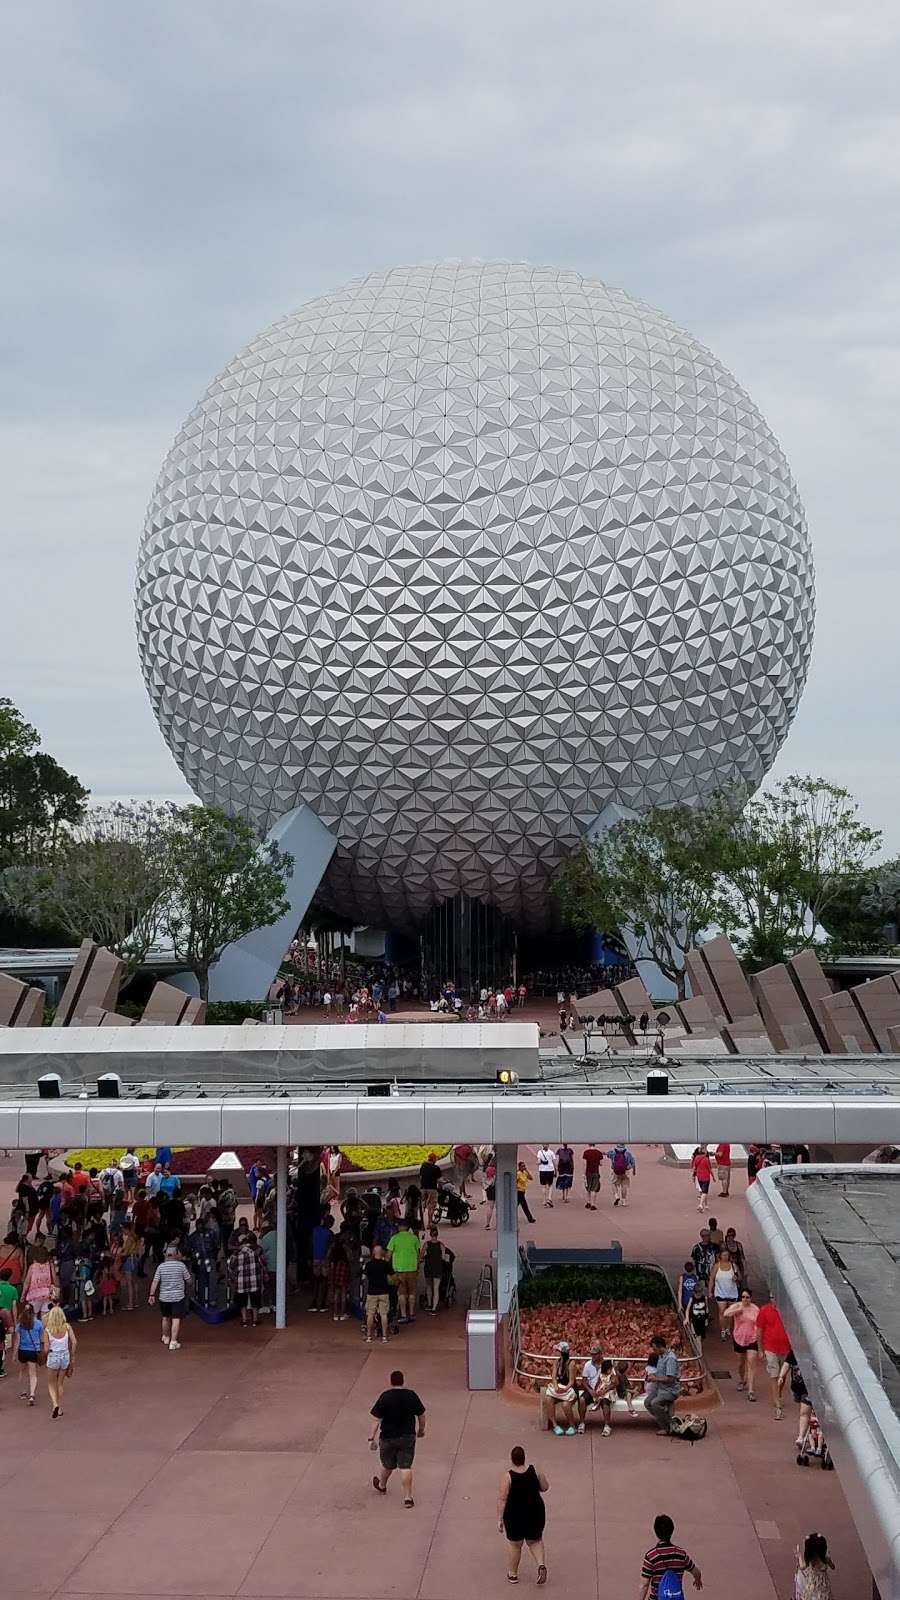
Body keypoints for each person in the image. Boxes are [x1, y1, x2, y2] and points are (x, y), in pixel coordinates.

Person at [369, 1369, 426, 1507]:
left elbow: (376, 1419)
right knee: (405, 1467)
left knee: (388, 1464)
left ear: (391, 1381)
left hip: (388, 1437)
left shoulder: (385, 1396)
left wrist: (371, 1438)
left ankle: (382, 1485)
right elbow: (421, 1415)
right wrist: (421, 1430)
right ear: (403, 1381)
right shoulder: (411, 1395)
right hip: (407, 1436)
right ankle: (408, 1498)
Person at [497, 1445, 548, 1586]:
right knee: (535, 1541)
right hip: (535, 1511)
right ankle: (541, 1565)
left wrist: (500, 1519)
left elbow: (502, 1499)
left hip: (515, 1514)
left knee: (515, 1544)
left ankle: (512, 1574)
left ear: (512, 1459)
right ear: (524, 1458)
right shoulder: (534, 1471)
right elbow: (545, 1487)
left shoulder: (508, 1476)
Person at [639, 1513, 703, 1598]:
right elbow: (697, 1572)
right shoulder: (681, 1554)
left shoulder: (651, 1556)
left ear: (656, 1532)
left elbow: (644, 1585)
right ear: (672, 1530)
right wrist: (697, 1580)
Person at [148, 1242, 192, 1350]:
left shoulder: (161, 1267)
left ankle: (165, 1336)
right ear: (176, 1254)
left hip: (164, 1297)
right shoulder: (181, 1266)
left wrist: (151, 1294)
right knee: (176, 1319)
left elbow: (155, 1282)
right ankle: (173, 1341)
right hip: (178, 1297)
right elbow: (189, 1280)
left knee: (165, 1318)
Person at [756, 1288, 791, 1418]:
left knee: (783, 1375)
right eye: (772, 1297)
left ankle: (778, 1393)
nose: (774, 1300)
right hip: (770, 1347)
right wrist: (760, 1349)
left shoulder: (788, 1311)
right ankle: (777, 1402)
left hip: (785, 1348)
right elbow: (759, 1330)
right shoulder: (764, 1310)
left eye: (775, 1297)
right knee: (774, 1374)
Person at [722, 1288, 760, 1400]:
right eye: (743, 1297)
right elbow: (725, 1314)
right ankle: (742, 1379)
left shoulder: (755, 1309)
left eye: (747, 1297)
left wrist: (758, 1337)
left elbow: (759, 1323)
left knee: (751, 1363)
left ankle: (751, 1390)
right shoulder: (737, 1306)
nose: (745, 1299)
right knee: (740, 1363)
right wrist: (736, 1311)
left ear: (751, 1298)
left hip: (752, 1339)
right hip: (739, 1338)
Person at [42, 1303, 77, 1419]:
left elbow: (46, 1348)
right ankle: (59, 1406)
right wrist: (72, 1356)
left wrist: (44, 1356)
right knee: (60, 1383)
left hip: (53, 1356)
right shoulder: (67, 1327)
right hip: (65, 1356)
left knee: (51, 1383)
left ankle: (55, 1405)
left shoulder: (47, 1330)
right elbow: (74, 1342)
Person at [643, 1334, 680, 1436]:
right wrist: (652, 1376)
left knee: (655, 1403)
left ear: (660, 1347)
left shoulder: (670, 1358)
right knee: (647, 1402)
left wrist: (655, 1378)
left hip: (670, 1390)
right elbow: (660, 1372)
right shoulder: (660, 1356)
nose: (654, 1351)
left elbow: (671, 1378)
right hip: (660, 1388)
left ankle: (667, 1426)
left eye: (655, 1349)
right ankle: (664, 1419)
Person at [386, 1218, 420, 1324]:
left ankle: (404, 1314)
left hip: (399, 1270)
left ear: (400, 1227)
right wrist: (417, 1266)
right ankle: (412, 1313)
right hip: (412, 1269)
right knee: (412, 1292)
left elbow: (388, 1256)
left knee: (401, 1293)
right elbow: (418, 1254)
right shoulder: (414, 1238)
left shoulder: (394, 1238)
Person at [545, 1341, 579, 1435]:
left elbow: (572, 1381)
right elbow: (554, 1377)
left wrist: (564, 1389)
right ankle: (555, 1425)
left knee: (565, 1405)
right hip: (559, 1388)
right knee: (548, 1399)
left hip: (568, 1389)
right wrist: (556, 1386)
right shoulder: (557, 1362)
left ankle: (572, 1426)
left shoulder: (571, 1364)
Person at [14, 1301, 42, 1404]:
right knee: (33, 1374)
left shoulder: (20, 1324)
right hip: (33, 1351)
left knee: (22, 1371)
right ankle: (32, 1394)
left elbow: (17, 1340)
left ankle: (23, 1392)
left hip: (22, 1350)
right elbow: (40, 1338)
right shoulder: (38, 1323)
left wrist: (14, 1354)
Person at [364, 1243, 392, 1343]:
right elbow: (391, 1275)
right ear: (382, 1253)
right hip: (384, 1291)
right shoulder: (385, 1264)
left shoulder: (369, 1265)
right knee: (384, 1314)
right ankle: (384, 1336)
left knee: (370, 1314)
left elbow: (365, 1276)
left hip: (372, 1292)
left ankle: (368, 1336)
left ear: (373, 1253)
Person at [709, 1248, 739, 1339]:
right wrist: (710, 1291)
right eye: (724, 1255)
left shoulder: (733, 1266)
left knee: (730, 1313)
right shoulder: (716, 1266)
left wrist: (736, 1277)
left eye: (727, 1255)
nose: (726, 1257)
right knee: (722, 1312)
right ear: (720, 1256)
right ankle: (723, 1329)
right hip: (720, 1292)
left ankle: (728, 1329)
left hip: (732, 1292)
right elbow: (711, 1279)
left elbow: (739, 1277)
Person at [793, 1532, 835, 1598]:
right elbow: (833, 1567)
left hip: (812, 1583)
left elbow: (802, 1567)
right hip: (823, 1583)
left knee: (812, 1596)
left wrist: (799, 1556)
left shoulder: (811, 1561)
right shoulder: (825, 1558)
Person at [576, 1342, 605, 1430]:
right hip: (591, 1389)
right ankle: (581, 1423)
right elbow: (584, 1381)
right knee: (581, 1400)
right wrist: (590, 1391)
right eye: (592, 1355)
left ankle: (606, 1425)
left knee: (606, 1402)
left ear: (600, 1354)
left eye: (595, 1354)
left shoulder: (606, 1364)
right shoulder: (587, 1365)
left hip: (603, 1389)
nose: (593, 1356)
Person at [607, 1142, 635, 1206]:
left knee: (613, 1183)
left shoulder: (613, 1152)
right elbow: (633, 1162)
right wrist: (634, 1170)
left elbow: (607, 1154)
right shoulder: (628, 1153)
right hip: (625, 1171)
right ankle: (624, 1201)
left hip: (616, 1171)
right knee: (624, 1186)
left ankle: (616, 1196)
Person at [419, 1152, 442, 1224]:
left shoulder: (423, 1165)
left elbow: (420, 1177)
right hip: (432, 1189)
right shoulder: (436, 1168)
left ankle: (421, 1222)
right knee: (431, 1206)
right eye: (436, 1159)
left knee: (422, 1205)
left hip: (423, 1188)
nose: (436, 1160)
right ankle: (429, 1223)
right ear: (433, 1159)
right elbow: (439, 1180)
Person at [685, 1281, 710, 1347]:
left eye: (699, 1294)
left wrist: (706, 1319)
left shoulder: (704, 1298)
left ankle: (698, 1344)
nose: (698, 1296)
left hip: (702, 1319)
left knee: (702, 1336)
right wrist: (687, 1318)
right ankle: (699, 1351)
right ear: (694, 1292)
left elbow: (706, 1308)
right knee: (698, 1336)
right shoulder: (692, 1299)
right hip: (694, 1320)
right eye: (697, 1294)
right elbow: (688, 1309)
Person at [582, 1143, 603, 1209]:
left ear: (589, 1145)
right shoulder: (599, 1153)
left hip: (588, 1172)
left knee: (588, 1188)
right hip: (596, 1172)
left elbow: (585, 1164)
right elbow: (601, 1164)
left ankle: (588, 1202)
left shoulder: (586, 1152)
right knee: (594, 1189)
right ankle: (593, 1204)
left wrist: (584, 1173)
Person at [693, 1147, 713, 1212]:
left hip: (699, 1176)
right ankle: (701, 1205)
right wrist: (713, 1177)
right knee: (705, 1192)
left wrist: (693, 1175)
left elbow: (694, 1167)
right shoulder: (706, 1159)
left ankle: (706, 1205)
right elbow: (710, 1169)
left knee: (703, 1191)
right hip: (706, 1177)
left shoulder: (696, 1158)